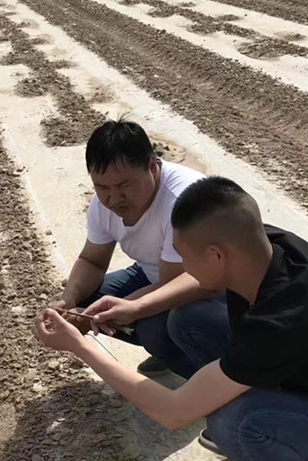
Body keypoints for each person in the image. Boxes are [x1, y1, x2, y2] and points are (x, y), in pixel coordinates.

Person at [35, 176, 308, 461]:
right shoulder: (266, 245)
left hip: (303, 382)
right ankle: (272, 417)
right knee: (190, 319)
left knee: (234, 421)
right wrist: (136, 306)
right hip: (299, 373)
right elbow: (198, 286)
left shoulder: (281, 321)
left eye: (184, 255)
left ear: (217, 256)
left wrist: (80, 347)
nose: (179, 265)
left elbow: (173, 413)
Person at [56, 119, 221, 379]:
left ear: (153, 167)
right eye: (102, 188)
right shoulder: (103, 206)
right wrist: (67, 301)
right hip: (155, 272)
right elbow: (92, 260)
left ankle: (212, 381)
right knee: (86, 300)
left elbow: (175, 283)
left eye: (124, 185)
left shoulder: (182, 202)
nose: (114, 198)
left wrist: (115, 310)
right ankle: (172, 350)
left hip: (212, 287)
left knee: (155, 327)